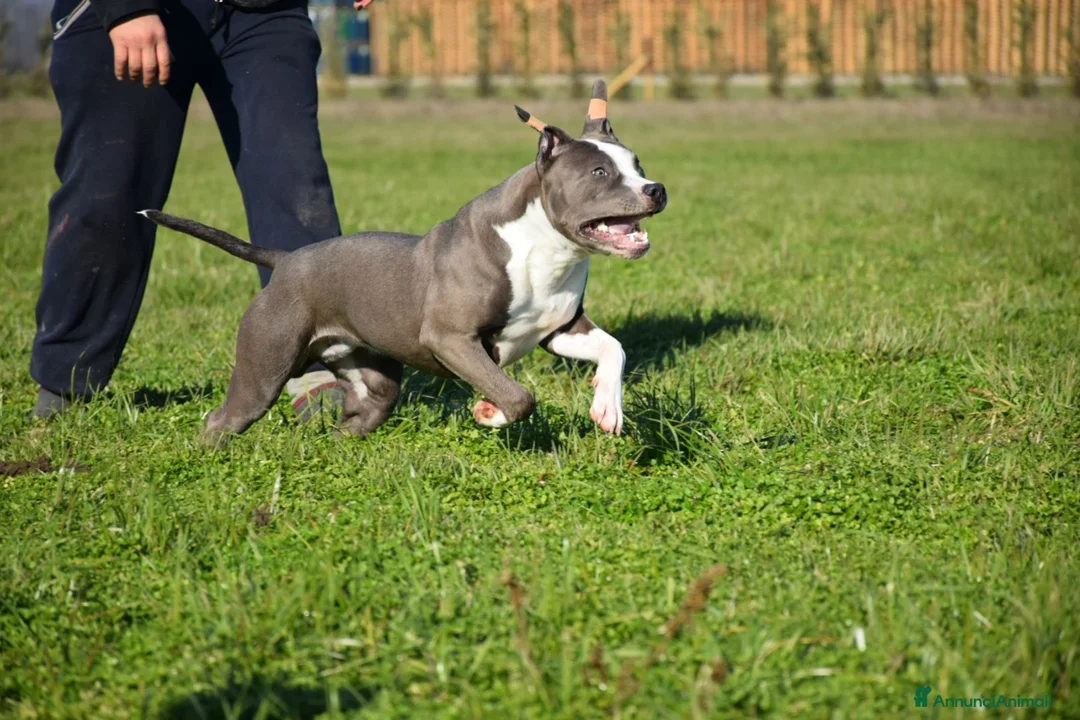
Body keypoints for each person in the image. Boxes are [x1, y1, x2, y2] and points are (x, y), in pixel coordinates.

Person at [30, 0, 374, 420]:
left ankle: (319, 362)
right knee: (109, 190)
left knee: (295, 183)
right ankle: (67, 378)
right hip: (134, 12)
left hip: (264, 13)